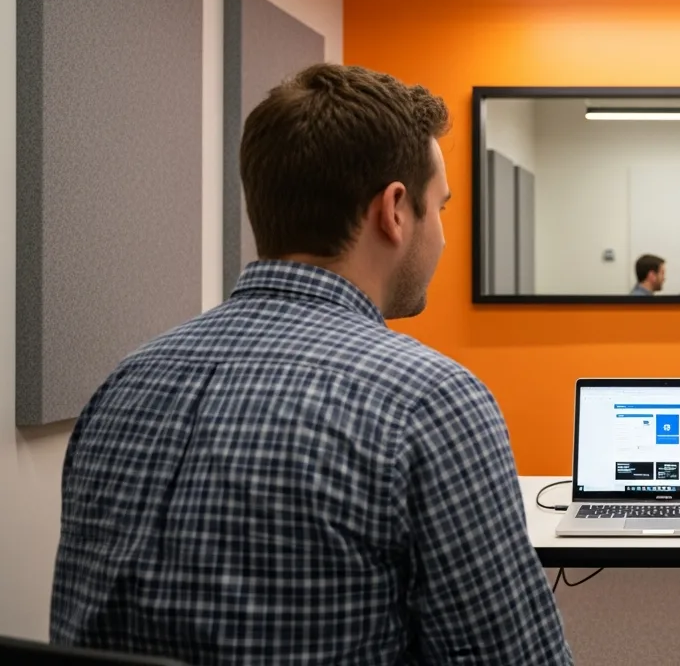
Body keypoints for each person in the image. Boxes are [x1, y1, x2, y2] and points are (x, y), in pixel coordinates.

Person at [49, 64, 573, 665]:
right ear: (395, 210)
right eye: (441, 208)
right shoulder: (429, 402)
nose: (445, 239)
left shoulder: (124, 384)